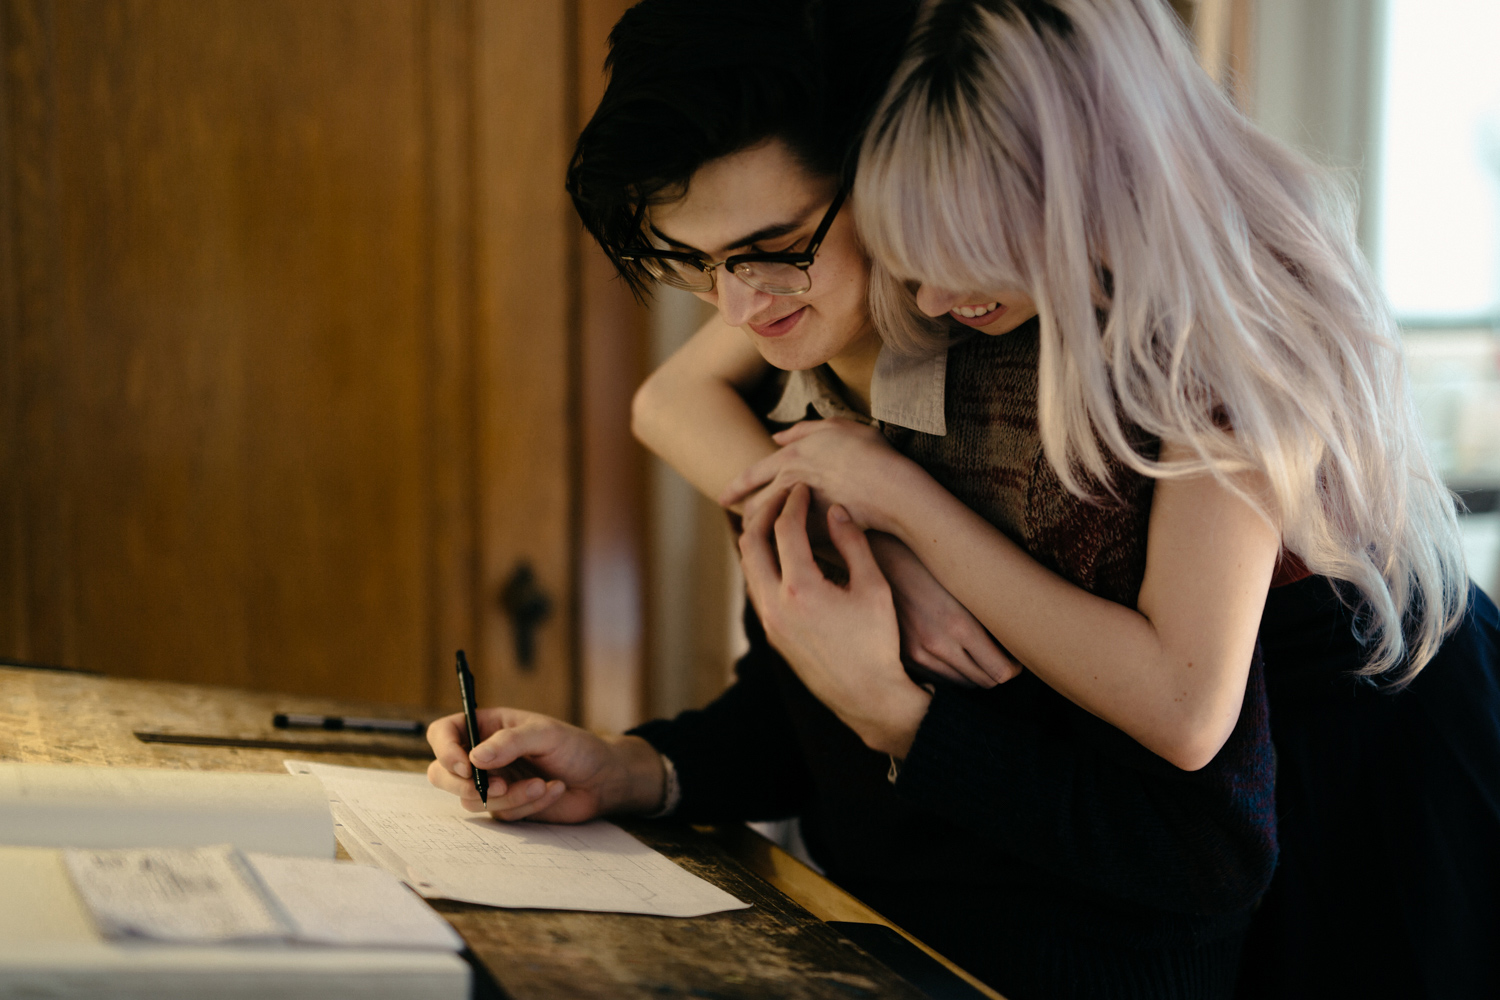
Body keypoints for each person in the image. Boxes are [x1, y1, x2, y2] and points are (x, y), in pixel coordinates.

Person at [638, 1, 1500, 997]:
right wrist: (900, 566)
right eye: (910, 252)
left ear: (1083, 194)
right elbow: (669, 398)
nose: (926, 304)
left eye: (965, 252)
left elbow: (1183, 706)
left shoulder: (1228, 335)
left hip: (1379, 752)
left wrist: (908, 509)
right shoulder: (1003, 246)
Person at [428, 3, 1279, 998]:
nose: (746, 306)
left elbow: (1201, 852)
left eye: (777, 244)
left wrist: (906, 716)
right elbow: (797, 713)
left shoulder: (1102, 406)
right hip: (865, 941)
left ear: (887, 170)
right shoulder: (806, 392)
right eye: (698, 267)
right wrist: (630, 767)